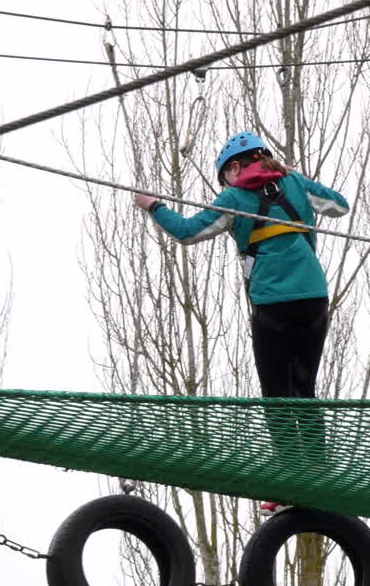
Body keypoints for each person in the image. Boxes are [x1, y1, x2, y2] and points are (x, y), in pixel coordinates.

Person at [132, 130, 349, 516]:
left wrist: (153, 206)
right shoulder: (295, 183)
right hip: (314, 296)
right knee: (304, 388)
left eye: (225, 175)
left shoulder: (234, 197)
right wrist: (294, 178)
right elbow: (340, 206)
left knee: (276, 396)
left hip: (272, 303)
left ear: (234, 168)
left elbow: (187, 232)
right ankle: (319, 472)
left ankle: (288, 483)